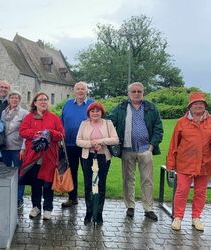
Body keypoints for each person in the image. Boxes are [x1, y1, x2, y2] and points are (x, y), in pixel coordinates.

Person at [108, 82, 163, 221]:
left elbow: (158, 128)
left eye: (139, 91)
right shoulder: (121, 108)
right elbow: (109, 123)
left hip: (146, 149)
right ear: (129, 93)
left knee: (147, 180)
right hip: (127, 149)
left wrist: (151, 147)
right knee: (128, 180)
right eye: (134, 91)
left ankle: (148, 208)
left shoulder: (151, 107)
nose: (136, 93)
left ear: (143, 92)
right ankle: (130, 206)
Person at [166, 91, 211, 231]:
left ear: (205, 106)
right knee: (182, 190)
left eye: (201, 104)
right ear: (190, 107)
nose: (199, 106)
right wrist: (170, 164)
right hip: (185, 162)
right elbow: (174, 144)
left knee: (201, 191)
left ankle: (196, 217)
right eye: (196, 104)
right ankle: (178, 217)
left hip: (205, 163)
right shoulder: (181, 122)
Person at [19, 92, 64, 220]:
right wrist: (37, 133)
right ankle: (36, 207)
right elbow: (22, 131)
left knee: (48, 184)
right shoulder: (29, 117)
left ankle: (48, 208)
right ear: (35, 103)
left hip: (49, 157)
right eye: (40, 100)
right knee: (35, 184)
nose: (43, 102)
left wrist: (49, 133)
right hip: (34, 157)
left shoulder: (54, 118)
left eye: (45, 99)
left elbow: (61, 134)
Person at [76, 102, 119, 225]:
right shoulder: (84, 124)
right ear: (89, 113)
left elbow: (115, 139)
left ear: (102, 112)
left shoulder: (108, 123)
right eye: (92, 111)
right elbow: (78, 141)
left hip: (103, 157)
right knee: (88, 184)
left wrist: (100, 142)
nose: (95, 113)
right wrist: (91, 144)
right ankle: (89, 212)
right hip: (87, 157)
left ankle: (99, 213)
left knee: (100, 185)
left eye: (98, 111)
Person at [61, 81, 94, 208]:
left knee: (88, 171)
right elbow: (62, 122)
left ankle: (89, 199)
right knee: (72, 171)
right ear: (74, 91)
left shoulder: (92, 104)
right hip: (69, 144)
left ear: (87, 91)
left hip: (87, 145)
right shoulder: (68, 104)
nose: (80, 91)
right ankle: (72, 197)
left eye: (83, 89)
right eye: (78, 89)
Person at [1, 90, 29, 209]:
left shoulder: (24, 113)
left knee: (19, 173)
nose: (14, 99)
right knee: (6, 173)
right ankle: (7, 196)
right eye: (12, 97)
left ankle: (19, 198)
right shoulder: (4, 112)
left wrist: (24, 148)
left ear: (19, 100)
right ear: (9, 99)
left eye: (16, 98)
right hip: (5, 147)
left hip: (18, 147)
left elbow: (26, 133)